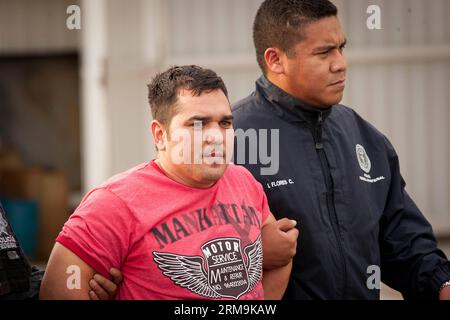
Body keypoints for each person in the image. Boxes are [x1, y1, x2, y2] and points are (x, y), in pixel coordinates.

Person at [231, 0, 450, 299]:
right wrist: (255, 252)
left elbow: (402, 239)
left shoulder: (364, 137)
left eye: (341, 48)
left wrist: (441, 284)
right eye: (324, 52)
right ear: (275, 60)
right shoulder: (230, 143)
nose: (341, 63)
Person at [39, 65, 298, 300]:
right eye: (198, 124)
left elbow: (281, 256)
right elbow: (56, 289)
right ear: (160, 135)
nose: (216, 137)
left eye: (225, 123)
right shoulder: (115, 200)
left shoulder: (243, 182)